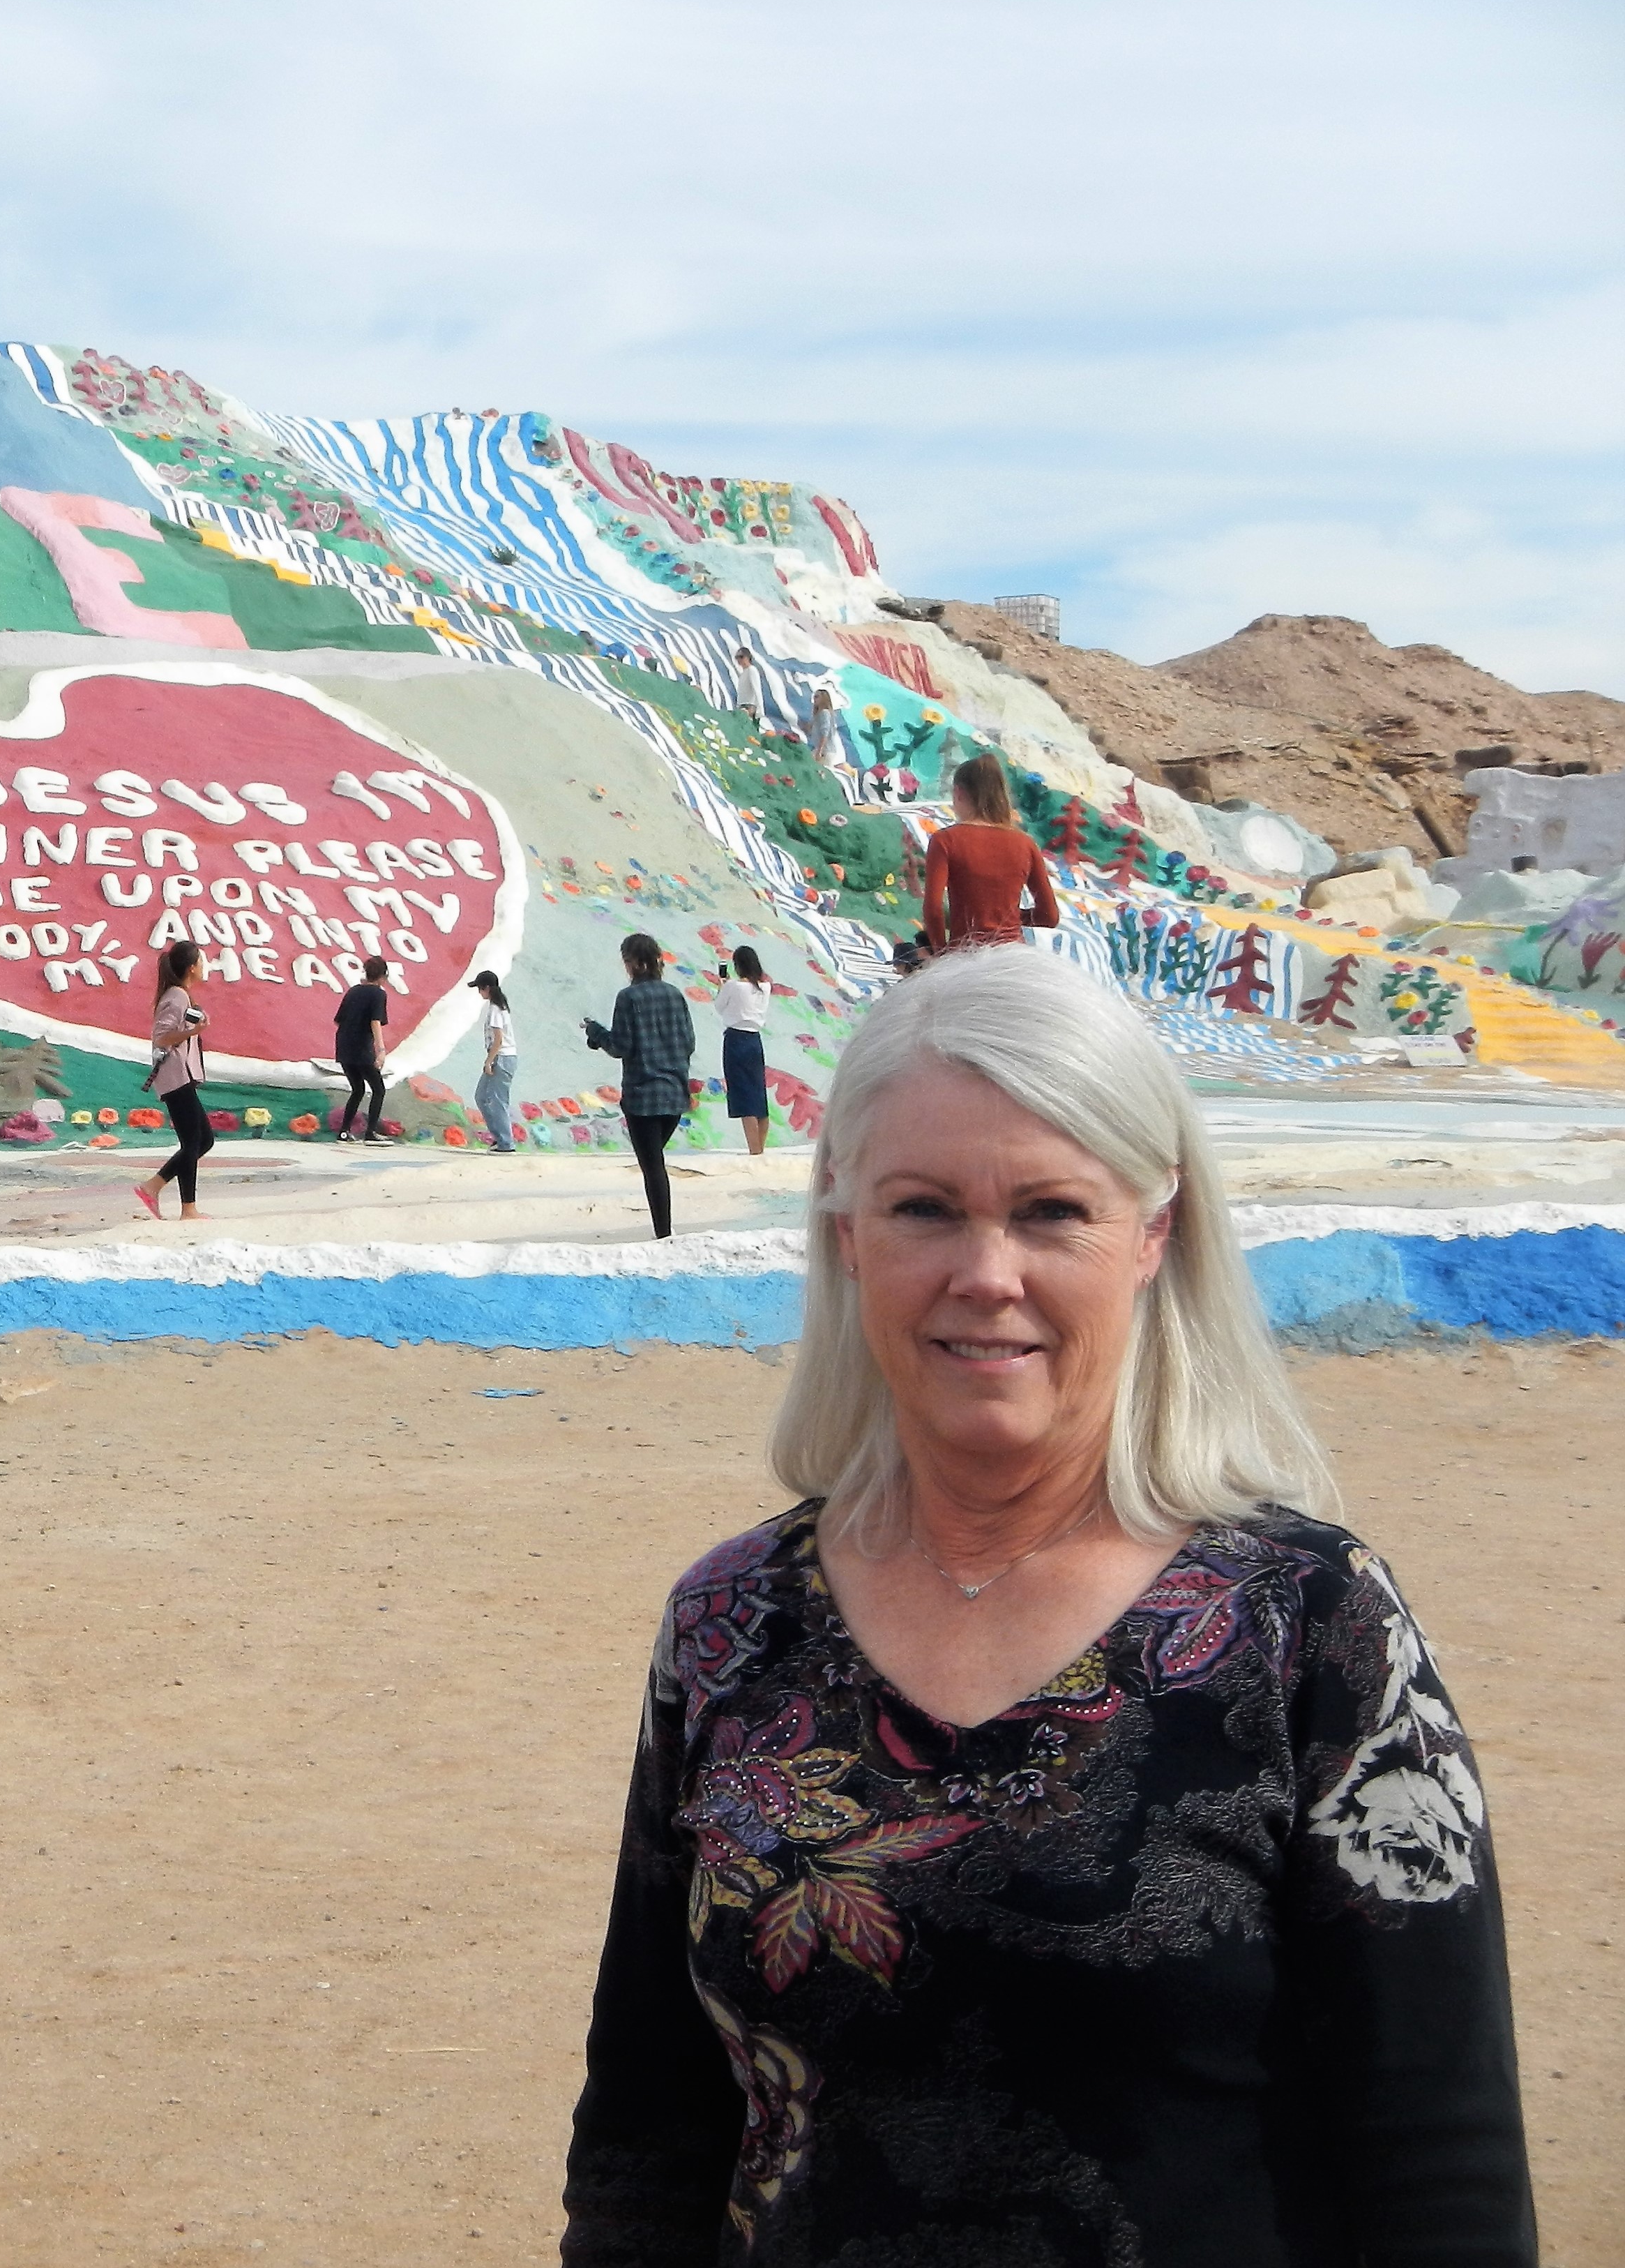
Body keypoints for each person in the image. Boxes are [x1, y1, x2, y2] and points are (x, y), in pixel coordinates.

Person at [559, 945, 1534, 2265]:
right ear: (844, 1231)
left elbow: (1440, 2163)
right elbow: (647, 2134)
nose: (985, 1272)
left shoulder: (1310, 1627)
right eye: (922, 1209)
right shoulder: (730, 1626)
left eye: (1050, 1211)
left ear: (1152, 1233)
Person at [582, 931, 693, 1238]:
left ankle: (664, 1235)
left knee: (653, 1168)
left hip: (643, 1097)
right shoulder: (675, 994)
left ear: (633, 963)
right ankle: (664, 1232)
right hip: (674, 1095)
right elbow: (689, 1042)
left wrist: (596, 1032)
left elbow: (620, 1047)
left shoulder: (627, 998)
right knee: (656, 1161)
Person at [923, 749, 1061, 952]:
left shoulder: (946, 840)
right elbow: (1049, 916)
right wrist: (1012, 916)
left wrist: (940, 953)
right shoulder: (1025, 843)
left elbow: (933, 910)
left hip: (968, 954)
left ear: (959, 793)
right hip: (1013, 954)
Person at [133, 938, 213, 1219]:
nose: (205, 966)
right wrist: (193, 1031)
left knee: (203, 1141)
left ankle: (154, 1188)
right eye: (201, 961)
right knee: (194, 1141)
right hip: (174, 1076)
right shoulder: (177, 996)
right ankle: (184, 1207)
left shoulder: (179, 995)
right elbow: (162, 1037)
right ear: (192, 968)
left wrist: (194, 1026)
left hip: (181, 1076)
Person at [331, 955, 395, 1142]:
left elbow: (338, 1020)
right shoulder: (379, 994)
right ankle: (371, 1132)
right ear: (384, 976)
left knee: (357, 1089)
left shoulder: (353, 991)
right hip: (362, 1049)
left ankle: (344, 1131)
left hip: (344, 1047)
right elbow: (375, 1022)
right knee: (378, 1089)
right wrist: (381, 1050)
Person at [716, 943, 772, 1157]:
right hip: (755, 1040)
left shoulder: (734, 987)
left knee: (743, 1095)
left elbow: (720, 1007)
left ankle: (754, 1150)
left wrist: (723, 985)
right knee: (758, 1092)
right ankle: (760, 1147)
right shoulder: (765, 987)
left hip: (736, 1039)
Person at [469, 968, 520, 1152]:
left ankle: (506, 1143)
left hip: (503, 1058)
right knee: (481, 1097)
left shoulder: (496, 1009)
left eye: (480, 988)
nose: (479, 992)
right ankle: (499, 1137)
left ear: (487, 988)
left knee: (498, 1101)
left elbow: (498, 1039)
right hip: (502, 1057)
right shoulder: (497, 1006)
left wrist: (489, 1061)